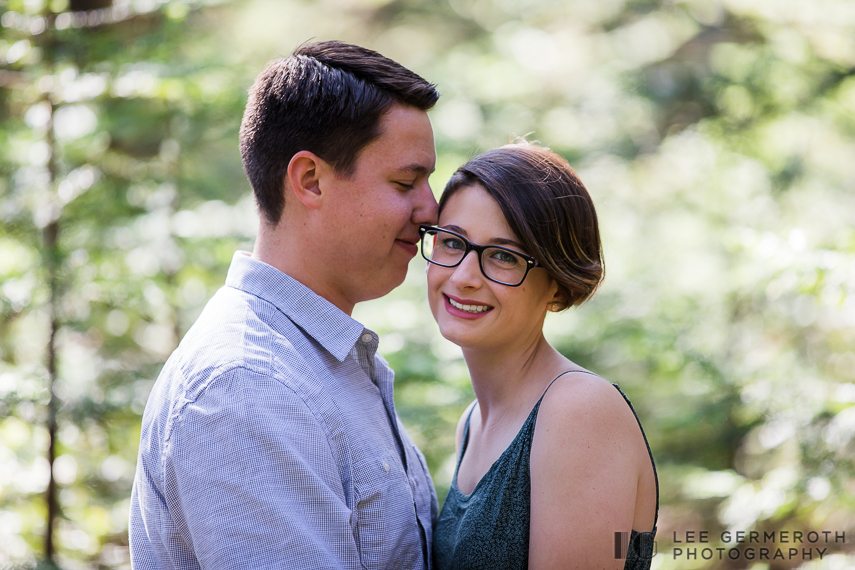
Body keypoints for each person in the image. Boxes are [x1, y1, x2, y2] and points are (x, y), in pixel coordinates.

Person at [129, 41, 441, 569]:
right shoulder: (247, 385)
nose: (430, 209)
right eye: (406, 182)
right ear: (310, 181)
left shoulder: (325, 360)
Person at [424, 143, 659, 570]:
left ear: (556, 284)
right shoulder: (472, 421)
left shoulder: (579, 410)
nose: (463, 277)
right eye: (452, 242)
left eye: (503, 256)